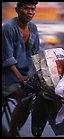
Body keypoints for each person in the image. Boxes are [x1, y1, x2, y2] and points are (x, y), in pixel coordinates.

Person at [2, 2, 39, 137]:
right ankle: (12, 134)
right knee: (24, 96)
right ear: (17, 10)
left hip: (24, 73)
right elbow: (7, 58)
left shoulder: (33, 28)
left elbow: (36, 53)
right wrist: (20, 77)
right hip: (6, 75)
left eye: (32, 9)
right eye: (26, 8)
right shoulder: (8, 28)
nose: (30, 12)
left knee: (40, 94)